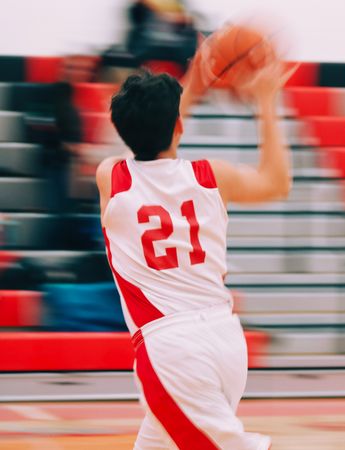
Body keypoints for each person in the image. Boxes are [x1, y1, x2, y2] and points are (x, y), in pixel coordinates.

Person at [96, 45, 292, 449]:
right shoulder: (210, 176)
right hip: (225, 339)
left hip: (172, 351)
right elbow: (277, 182)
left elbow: (151, 127)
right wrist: (267, 101)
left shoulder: (113, 178)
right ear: (180, 125)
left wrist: (195, 84)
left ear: (120, 128)